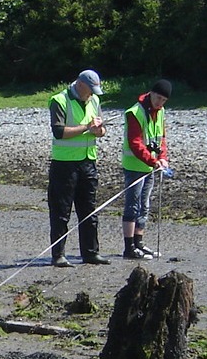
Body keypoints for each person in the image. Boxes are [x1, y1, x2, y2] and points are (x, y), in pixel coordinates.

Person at [48, 70, 109, 268]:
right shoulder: (59, 100)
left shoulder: (94, 101)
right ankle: (58, 255)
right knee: (61, 212)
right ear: (80, 84)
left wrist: (99, 130)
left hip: (88, 161)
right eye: (89, 90)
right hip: (64, 164)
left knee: (89, 210)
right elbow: (59, 132)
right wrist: (86, 128)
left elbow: (100, 130)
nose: (91, 94)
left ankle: (91, 253)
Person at [121, 79, 172, 260]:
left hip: (150, 167)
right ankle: (129, 248)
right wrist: (153, 161)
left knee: (145, 205)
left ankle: (139, 243)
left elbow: (161, 138)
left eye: (164, 100)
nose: (160, 103)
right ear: (151, 93)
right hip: (134, 167)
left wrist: (163, 158)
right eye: (158, 98)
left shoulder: (161, 112)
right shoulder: (134, 112)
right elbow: (135, 143)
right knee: (132, 206)